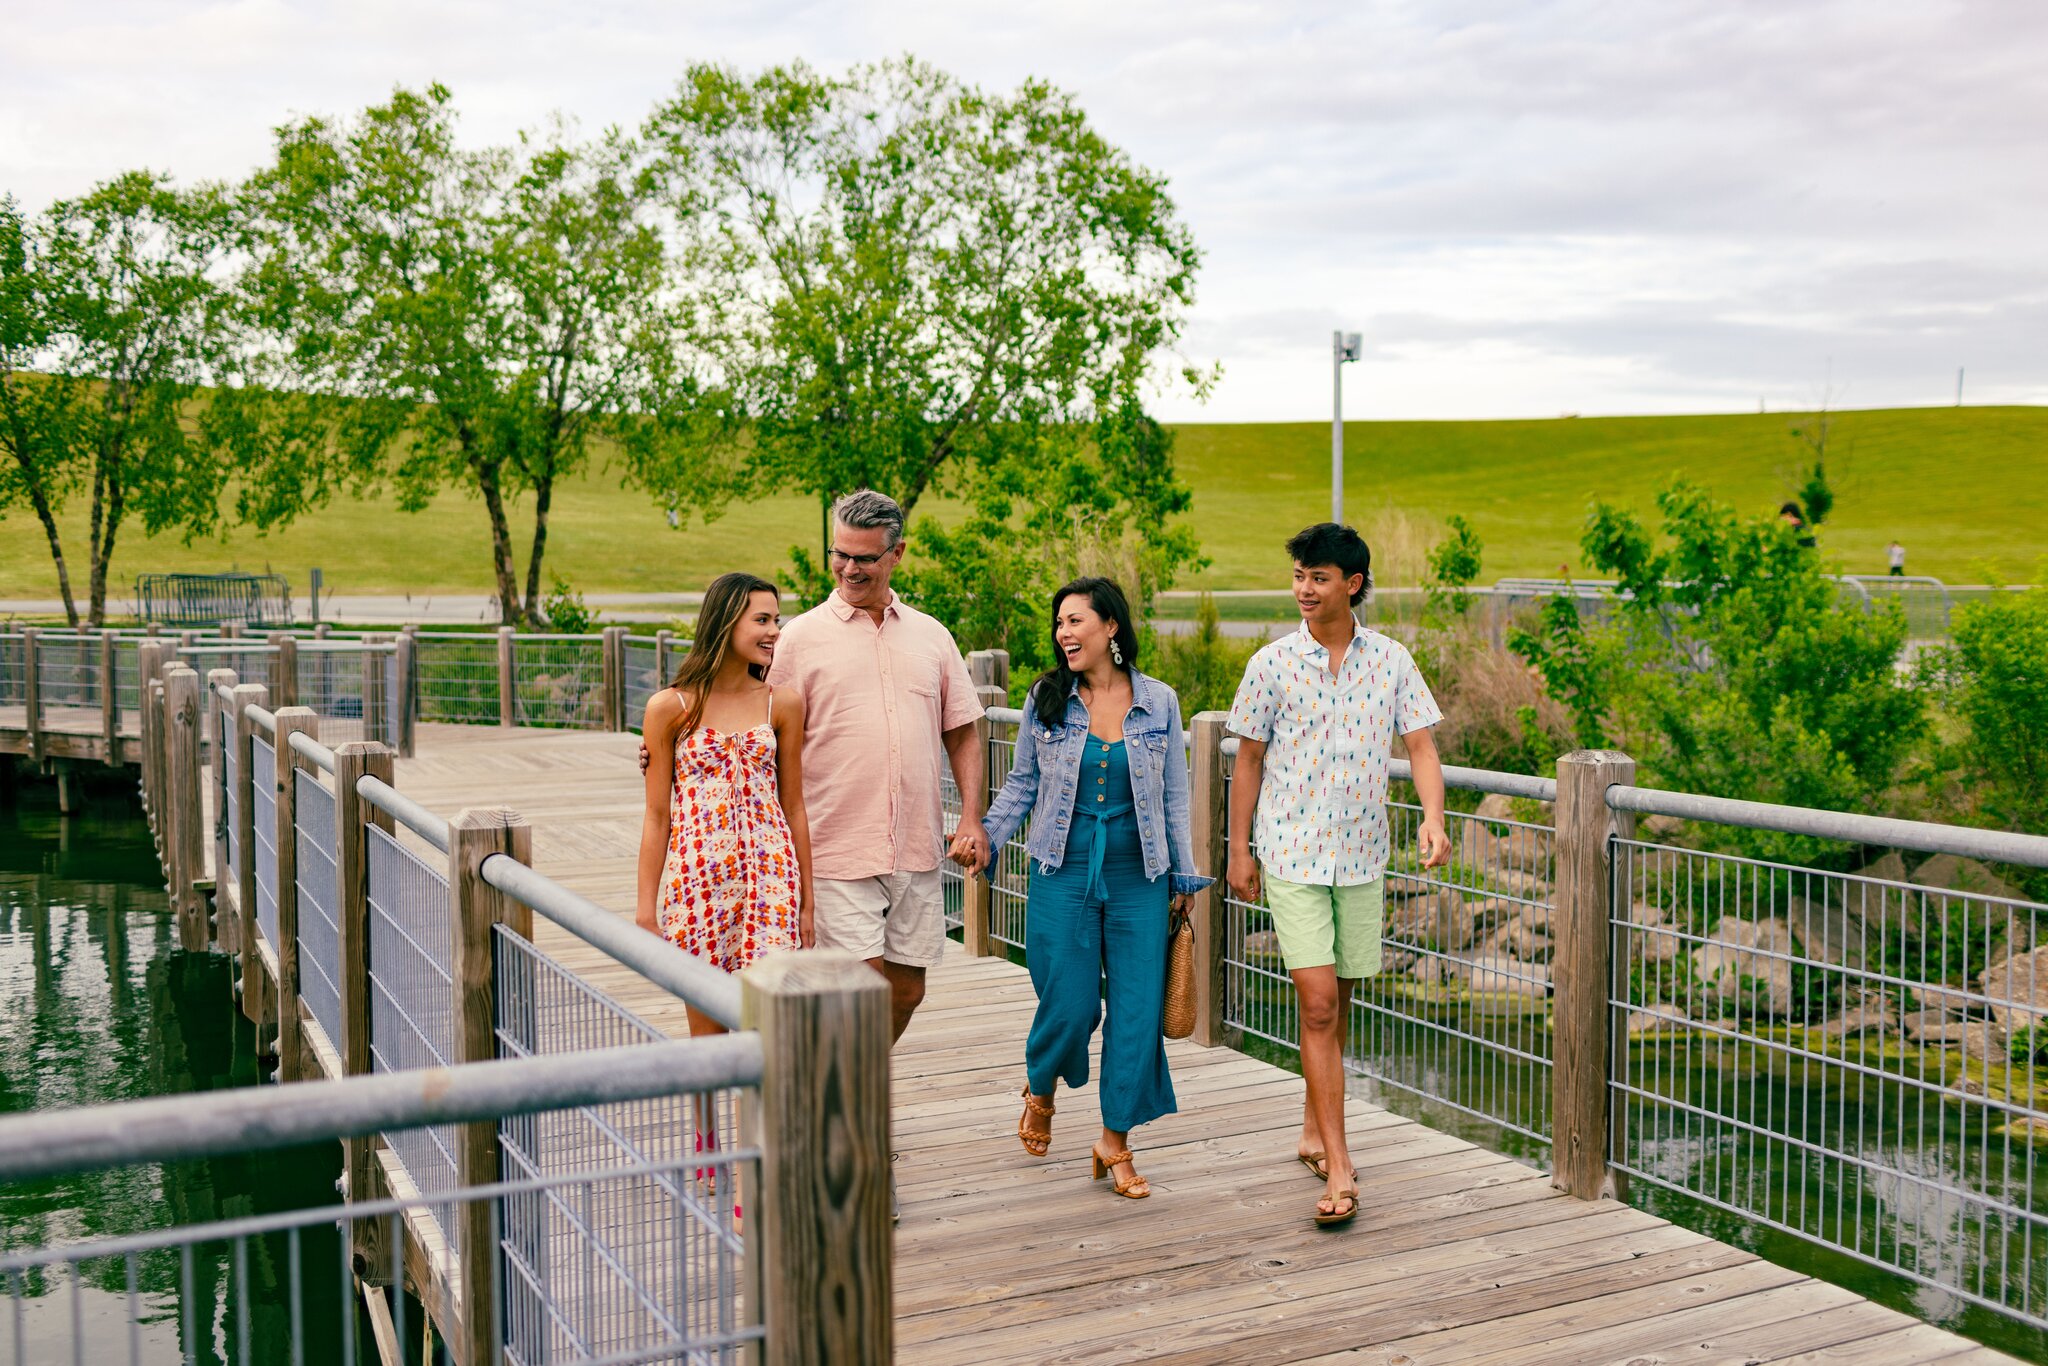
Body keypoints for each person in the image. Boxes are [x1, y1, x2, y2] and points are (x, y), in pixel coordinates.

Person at [646, 490, 988, 1220]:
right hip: (829, 849)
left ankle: (832, 1093)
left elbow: (962, 729)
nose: (848, 569)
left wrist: (975, 817)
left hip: (917, 846)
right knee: (855, 1003)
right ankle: (858, 1149)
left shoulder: (932, 636)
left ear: (897, 553)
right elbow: (726, 706)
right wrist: (660, 753)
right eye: (838, 555)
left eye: (865, 559)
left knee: (905, 993)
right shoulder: (796, 636)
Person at [954, 578, 1211, 1201]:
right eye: (1059, 624)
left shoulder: (1159, 702)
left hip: (1140, 879)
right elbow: (1021, 785)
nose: (1064, 633)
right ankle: (1041, 1084)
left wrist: (1182, 874)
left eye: (1076, 621)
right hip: (1060, 872)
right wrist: (983, 835)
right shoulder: (1047, 697)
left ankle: (1114, 1142)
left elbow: (1176, 797)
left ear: (1110, 628)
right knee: (1069, 1005)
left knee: (1135, 1013)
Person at [1225, 523, 1451, 1228]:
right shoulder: (1270, 664)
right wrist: (1239, 849)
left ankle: (1310, 1131)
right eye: (1297, 575)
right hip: (1290, 853)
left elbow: (1421, 745)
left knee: (1335, 1005)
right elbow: (1249, 760)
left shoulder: (1391, 661)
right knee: (1318, 1002)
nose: (1303, 589)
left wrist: (1433, 818)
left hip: (1361, 857)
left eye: (1317, 577)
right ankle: (1341, 1165)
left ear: (1352, 583)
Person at [636, 572, 814, 1215]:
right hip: (698, 881)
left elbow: (794, 804)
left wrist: (807, 899)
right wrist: (643, 907)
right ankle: (707, 1129)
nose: (774, 631)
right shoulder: (670, 709)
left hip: (770, 878)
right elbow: (657, 815)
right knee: (707, 1025)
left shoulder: (783, 705)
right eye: (762, 620)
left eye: (777, 619)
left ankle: (749, 1169)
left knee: (759, 1030)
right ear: (727, 622)